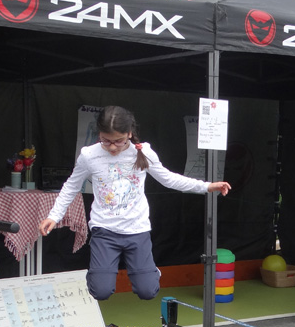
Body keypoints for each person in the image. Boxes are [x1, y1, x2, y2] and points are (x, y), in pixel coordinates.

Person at [39, 106, 231, 300]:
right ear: (99, 134)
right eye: (106, 140)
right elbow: (71, 186)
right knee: (100, 291)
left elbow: (169, 179)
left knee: (148, 291)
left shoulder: (143, 152)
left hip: (137, 230)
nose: (112, 147)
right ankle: (99, 274)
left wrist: (207, 186)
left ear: (129, 133)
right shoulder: (89, 155)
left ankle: (150, 272)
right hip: (104, 230)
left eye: (119, 141)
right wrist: (54, 216)